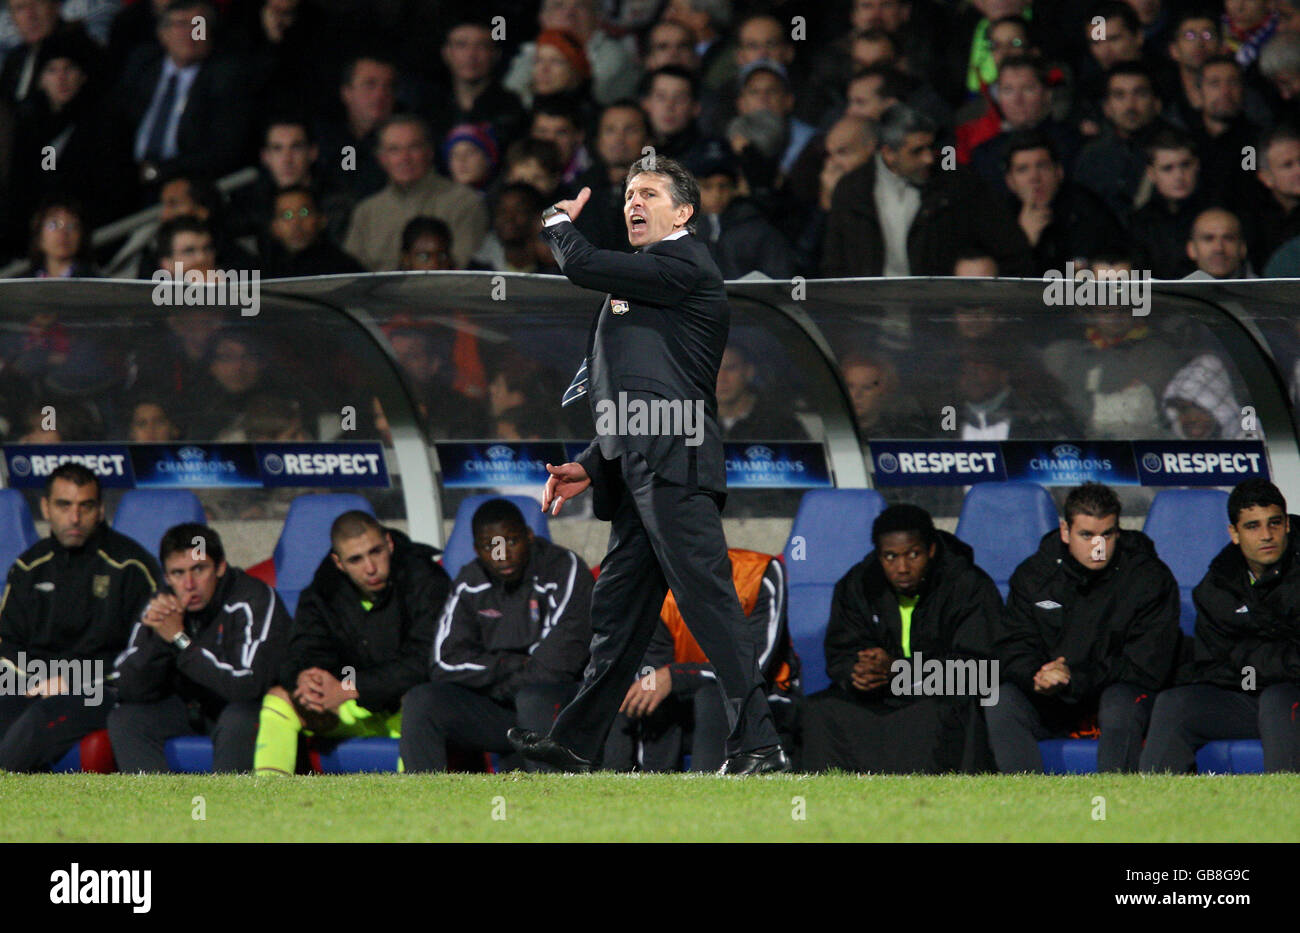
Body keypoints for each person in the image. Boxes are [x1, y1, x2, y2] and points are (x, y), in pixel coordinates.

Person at [510, 153, 790, 774]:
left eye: (650, 194)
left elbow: (579, 262)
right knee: (617, 613)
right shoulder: (643, 283)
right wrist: (593, 462)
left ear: (684, 212)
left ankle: (761, 748)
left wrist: (556, 221)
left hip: (674, 460)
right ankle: (576, 745)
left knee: (708, 603)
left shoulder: (684, 263)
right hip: (638, 463)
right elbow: (636, 385)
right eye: (629, 193)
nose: (633, 203)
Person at [987, 482, 1181, 772]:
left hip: (1120, 695)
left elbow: (1146, 665)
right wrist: (1037, 676)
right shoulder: (1034, 575)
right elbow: (1013, 645)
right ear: (1065, 531)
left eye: (1107, 535)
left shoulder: (1149, 578)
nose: (1098, 547)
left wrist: (1073, 679)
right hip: (1051, 697)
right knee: (1000, 700)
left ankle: (1116, 803)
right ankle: (1025, 807)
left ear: (1118, 531)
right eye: (1087, 535)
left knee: (1121, 703)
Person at [803, 504, 1002, 773]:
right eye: (890, 557)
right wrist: (857, 672)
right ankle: (831, 801)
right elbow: (841, 652)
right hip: (880, 695)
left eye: (913, 554)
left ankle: (930, 803)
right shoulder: (858, 584)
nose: (902, 567)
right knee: (819, 711)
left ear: (931, 550)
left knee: (939, 713)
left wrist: (900, 672)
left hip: (938, 694)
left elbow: (980, 670)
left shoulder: (967, 585)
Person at [400, 499, 592, 772]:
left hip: (560, 706)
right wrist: (508, 664)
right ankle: (424, 807)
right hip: (502, 708)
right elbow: (444, 663)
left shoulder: (563, 569)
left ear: (529, 536)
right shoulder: (471, 582)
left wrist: (493, 678)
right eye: (491, 546)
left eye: (511, 541)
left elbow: (555, 669)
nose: (502, 554)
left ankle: (553, 802)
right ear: (478, 549)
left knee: (532, 698)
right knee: (422, 701)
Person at [253, 511, 450, 775]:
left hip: (404, 710)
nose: (370, 567)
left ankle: (415, 804)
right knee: (279, 699)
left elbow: (425, 660)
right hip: (346, 708)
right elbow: (301, 650)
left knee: (420, 701)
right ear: (339, 563)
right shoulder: (323, 589)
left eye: (376, 552)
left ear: (389, 544)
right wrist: (307, 678)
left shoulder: (426, 580)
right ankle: (268, 804)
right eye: (356, 559)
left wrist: (351, 687)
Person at [0, 463, 160, 771]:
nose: (75, 518)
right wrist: (39, 680)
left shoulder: (131, 566)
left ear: (100, 510)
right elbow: (7, 643)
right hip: (37, 684)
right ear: (46, 508)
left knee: (40, 720)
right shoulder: (29, 567)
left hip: (103, 689)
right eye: (64, 505)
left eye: (85, 506)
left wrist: (73, 679)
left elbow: (145, 654)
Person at [1141, 479, 1300, 772]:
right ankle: (1151, 812)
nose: (1267, 535)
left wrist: (1252, 662)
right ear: (1234, 533)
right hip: (1251, 694)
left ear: (1287, 525)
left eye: (1274, 523)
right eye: (1253, 526)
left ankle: (1286, 813)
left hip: (1288, 698)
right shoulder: (1216, 587)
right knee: (1174, 705)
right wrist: (1262, 668)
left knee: (1278, 699)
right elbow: (1213, 667)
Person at [110, 523, 291, 772]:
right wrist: (159, 641)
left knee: (237, 718)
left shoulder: (252, 598)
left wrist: (179, 639)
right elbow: (126, 686)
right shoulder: (162, 603)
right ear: (166, 577)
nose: (189, 583)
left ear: (220, 567)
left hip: (247, 708)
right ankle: (156, 807)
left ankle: (227, 807)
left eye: (199, 569)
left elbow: (247, 686)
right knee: (126, 719)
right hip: (191, 708)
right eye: (178, 573)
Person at [604, 548, 800, 772]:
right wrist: (657, 680)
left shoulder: (756, 574)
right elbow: (652, 671)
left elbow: (754, 669)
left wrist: (677, 676)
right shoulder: (658, 591)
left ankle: (708, 788)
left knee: (714, 694)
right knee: (626, 697)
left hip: (760, 699)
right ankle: (645, 789)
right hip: (683, 701)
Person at [821, 103, 1031, 277]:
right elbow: (835, 265)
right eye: (917, 151)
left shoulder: (958, 184)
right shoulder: (853, 191)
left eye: (930, 147)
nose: (929, 158)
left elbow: (1011, 251)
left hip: (941, 314)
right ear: (888, 153)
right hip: (872, 316)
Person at [343, 115, 488, 270]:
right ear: (381, 158)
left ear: (429, 152)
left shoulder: (464, 202)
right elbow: (350, 274)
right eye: (394, 150)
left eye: (413, 147)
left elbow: (463, 270)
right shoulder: (366, 212)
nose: (404, 158)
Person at [261, 185, 364, 278]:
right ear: (274, 227)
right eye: (287, 215)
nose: (296, 223)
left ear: (321, 220)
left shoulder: (344, 268)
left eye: (304, 212)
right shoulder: (263, 272)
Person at [1183, 207, 1255, 279]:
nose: (1219, 248)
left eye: (1228, 238)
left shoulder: (1264, 290)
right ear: (1191, 248)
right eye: (1209, 238)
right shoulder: (1175, 290)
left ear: (1243, 248)